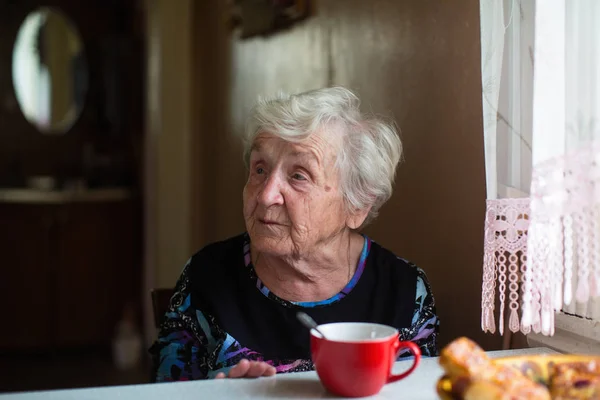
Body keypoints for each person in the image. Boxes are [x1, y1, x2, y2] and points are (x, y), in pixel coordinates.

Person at [150, 86, 440, 381]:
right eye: (260, 169)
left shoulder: (402, 292)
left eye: (299, 175)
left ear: (358, 204)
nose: (266, 197)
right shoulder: (207, 275)